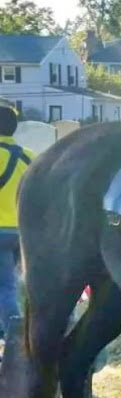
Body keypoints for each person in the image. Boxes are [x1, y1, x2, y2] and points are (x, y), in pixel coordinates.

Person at [0, 104, 34, 340]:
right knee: (28, 287)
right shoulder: (30, 156)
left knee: (5, 287)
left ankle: (14, 335)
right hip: (25, 232)